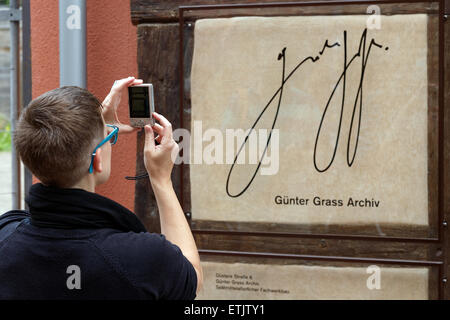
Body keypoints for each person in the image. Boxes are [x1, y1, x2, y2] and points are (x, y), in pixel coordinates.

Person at [0, 77, 203, 299]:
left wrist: (98, 128)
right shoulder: (142, 257)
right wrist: (161, 179)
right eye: (109, 137)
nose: (110, 140)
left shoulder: (6, 234)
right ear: (96, 160)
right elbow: (191, 275)